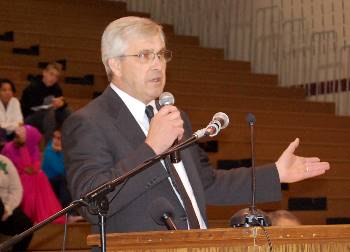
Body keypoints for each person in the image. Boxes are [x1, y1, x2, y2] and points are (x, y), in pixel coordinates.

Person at [62, 16, 329, 235]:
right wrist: (152, 148)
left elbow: (207, 184)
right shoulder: (88, 122)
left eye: (161, 54)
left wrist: (275, 174)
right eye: (144, 55)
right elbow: (91, 203)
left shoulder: (173, 116)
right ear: (115, 65)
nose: (157, 64)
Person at [1, 125, 65, 224]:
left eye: (22, 132)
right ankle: (29, 215)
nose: (18, 133)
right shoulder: (9, 148)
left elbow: (34, 166)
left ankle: (38, 214)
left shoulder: (33, 148)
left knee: (39, 176)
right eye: (19, 131)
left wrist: (29, 169)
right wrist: (25, 170)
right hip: (14, 178)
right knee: (30, 178)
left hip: (28, 176)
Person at [20, 62, 70, 143]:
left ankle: (72, 142)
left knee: (67, 111)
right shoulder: (32, 87)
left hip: (49, 119)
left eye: (56, 76)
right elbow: (26, 108)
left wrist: (61, 104)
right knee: (49, 112)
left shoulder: (57, 89)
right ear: (44, 73)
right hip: (30, 118)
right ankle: (49, 145)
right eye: (51, 74)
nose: (53, 78)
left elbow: (61, 103)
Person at [0, 154, 33, 251]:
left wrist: (8, 208)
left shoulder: (5, 161)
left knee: (26, 226)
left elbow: (16, 189)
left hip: (7, 206)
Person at [42, 129, 72, 208]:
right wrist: (63, 151)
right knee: (64, 179)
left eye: (59, 138)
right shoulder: (49, 150)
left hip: (60, 179)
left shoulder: (66, 149)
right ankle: (67, 211)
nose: (55, 140)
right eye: (54, 137)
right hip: (50, 180)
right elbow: (60, 170)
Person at [0, 79, 23, 145]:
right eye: (4, 90)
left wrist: (3, 126)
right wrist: (12, 125)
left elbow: (20, 122)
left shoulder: (15, 101)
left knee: (23, 131)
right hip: (1, 134)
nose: (8, 92)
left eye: (10, 90)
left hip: (12, 133)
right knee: (1, 131)